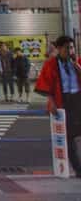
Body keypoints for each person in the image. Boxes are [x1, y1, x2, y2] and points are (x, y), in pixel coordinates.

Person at [35, 35, 81, 176]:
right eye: (67, 48)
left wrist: (78, 67)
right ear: (59, 48)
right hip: (63, 101)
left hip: (78, 99)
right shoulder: (51, 64)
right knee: (69, 137)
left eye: (72, 48)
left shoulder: (77, 61)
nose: (70, 51)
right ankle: (78, 169)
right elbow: (45, 84)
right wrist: (51, 102)